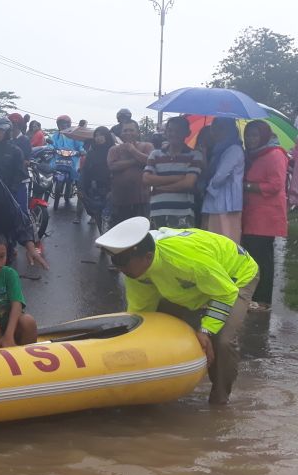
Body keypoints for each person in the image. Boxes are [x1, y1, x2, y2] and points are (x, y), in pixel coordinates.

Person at [96, 217, 259, 404]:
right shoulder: (135, 273)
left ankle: (220, 400)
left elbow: (226, 293)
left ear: (147, 257)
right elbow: (142, 312)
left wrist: (206, 330)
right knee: (159, 321)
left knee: (222, 341)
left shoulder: (183, 259)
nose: (120, 268)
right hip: (198, 284)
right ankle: (158, 389)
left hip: (235, 277)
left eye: (124, 261)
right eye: (115, 261)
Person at [240, 119, 289, 312]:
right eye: (248, 136)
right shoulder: (254, 155)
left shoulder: (275, 154)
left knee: (263, 257)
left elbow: (276, 184)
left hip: (267, 214)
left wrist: (249, 186)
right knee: (253, 254)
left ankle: (263, 300)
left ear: (263, 135)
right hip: (253, 213)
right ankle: (254, 296)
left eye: (254, 135)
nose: (250, 139)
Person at [143, 115, 203, 229]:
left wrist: (160, 187)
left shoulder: (194, 155)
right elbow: (146, 179)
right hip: (157, 212)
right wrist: (178, 178)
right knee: (156, 246)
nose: (173, 134)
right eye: (170, 130)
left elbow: (188, 184)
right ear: (165, 132)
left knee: (182, 247)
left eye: (178, 130)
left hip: (183, 213)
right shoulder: (155, 154)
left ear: (187, 133)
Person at [200, 117, 245, 243]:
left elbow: (220, 176)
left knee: (225, 240)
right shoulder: (218, 150)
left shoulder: (233, 149)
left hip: (226, 203)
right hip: (217, 202)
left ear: (229, 130)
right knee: (213, 239)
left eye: (220, 128)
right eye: (213, 128)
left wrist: (208, 187)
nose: (215, 132)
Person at [106, 120, 154, 226]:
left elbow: (150, 161)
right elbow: (113, 166)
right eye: (125, 130)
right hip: (119, 201)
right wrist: (135, 161)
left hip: (141, 200)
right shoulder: (114, 150)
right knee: (119, 236)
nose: (128, 133)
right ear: (121, 133)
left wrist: (132, 150)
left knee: (141, 234)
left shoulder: (147, 146)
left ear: (138, 132)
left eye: (131, 130)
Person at [78, 126, 114, 229]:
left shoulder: (114, 151)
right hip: (94, 190)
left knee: (108, 220)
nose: (98, 138)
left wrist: (113, 190)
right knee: (98, 217)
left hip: (110, 192)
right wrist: (80, 188)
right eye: (96, 135)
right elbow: (85, 171)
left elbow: (117, 172)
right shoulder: (91, 153)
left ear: (107, 136)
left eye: (101, 135)